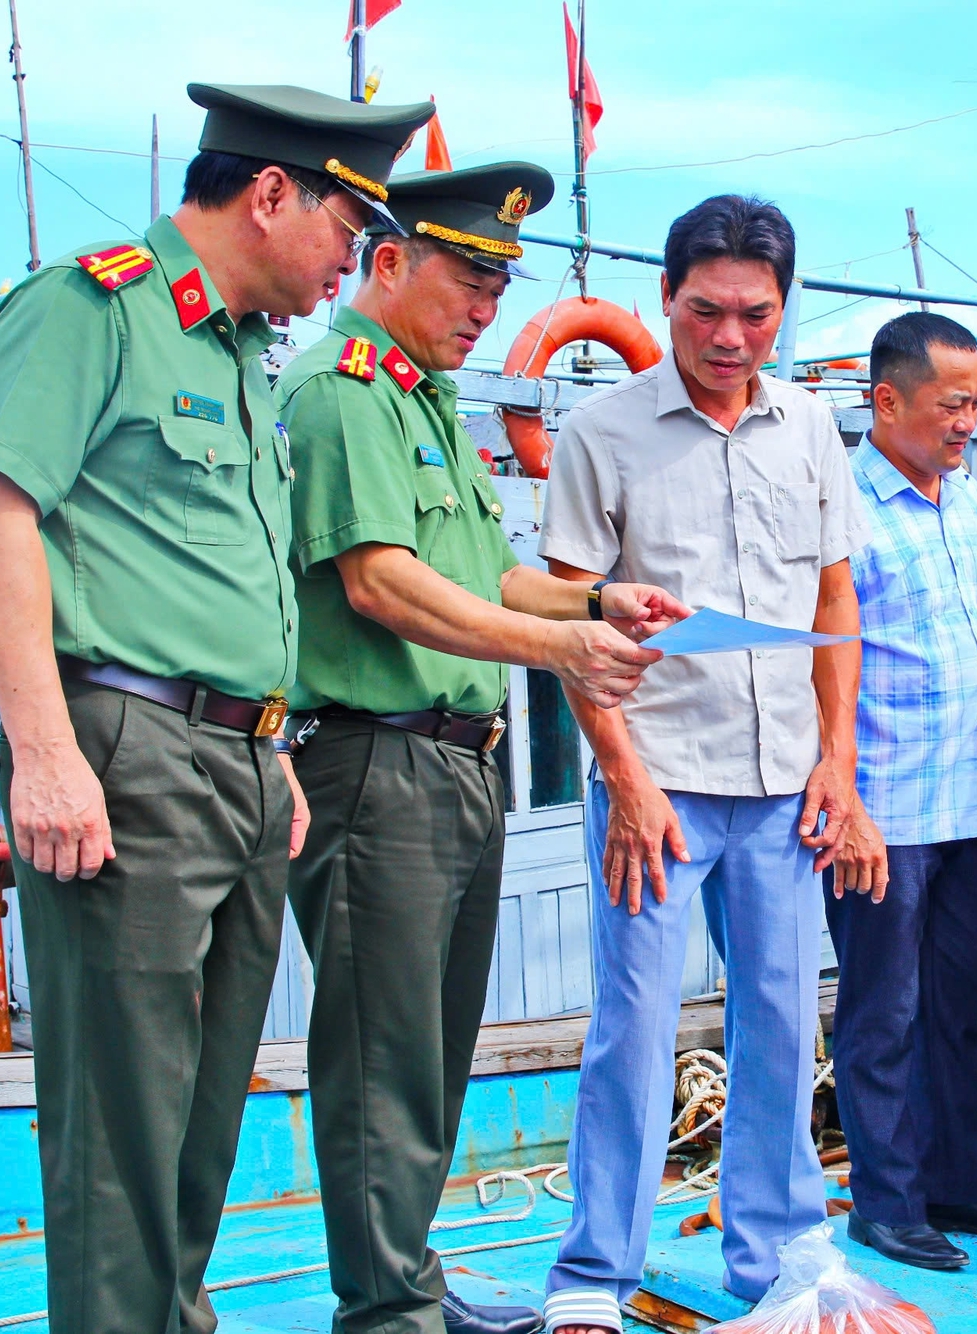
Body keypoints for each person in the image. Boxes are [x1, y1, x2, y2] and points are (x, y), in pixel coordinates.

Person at [0, 83, 434, 1334]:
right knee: (121, 1134)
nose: (353, 259)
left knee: (199, 1121)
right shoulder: (89, 309)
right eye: (345, 225)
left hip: (236, 764)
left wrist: (266, 739)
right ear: (270, 194)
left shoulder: (235, 352)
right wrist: (46, 753)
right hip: (120, 749)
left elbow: (223, 572)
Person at [275, 164, 689, 1334]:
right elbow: (381, 582)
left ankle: (403, 1278)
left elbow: (478, 574)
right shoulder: (345, 391)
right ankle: (386, 1310)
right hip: (374, 758)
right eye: (467, 277)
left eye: (499, 287)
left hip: (452, 761)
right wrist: (556, 651)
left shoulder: (418, 400)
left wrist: (597, 604)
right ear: (388, 260)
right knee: (380, 1054)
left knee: (430, 1049)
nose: (484, 309)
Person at [536, 194, 878, 1333]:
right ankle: (594, 1269)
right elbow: (573, 626)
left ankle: (777, 1254)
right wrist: (623, 779)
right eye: (703, 312)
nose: (728, 338)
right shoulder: (601, 432)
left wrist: (838, 763)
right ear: (664, 300)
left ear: (782, 310)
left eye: (753, 315)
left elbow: (833, 598)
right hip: (659, 782)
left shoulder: (814, 427)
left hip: (783, 786)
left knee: (781, 1018)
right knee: (633, 1026)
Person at [826, 311, 977, 1272]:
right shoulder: (844, 511)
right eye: (953, 405)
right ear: (887, 400)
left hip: (970, 804)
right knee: (882, 1010)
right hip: (882, 813)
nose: (968, 423)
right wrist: (843, 803)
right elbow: (825, 668)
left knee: (962, 1003)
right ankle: (887, 1202)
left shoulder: (968, 502)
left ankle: (957, 1182)